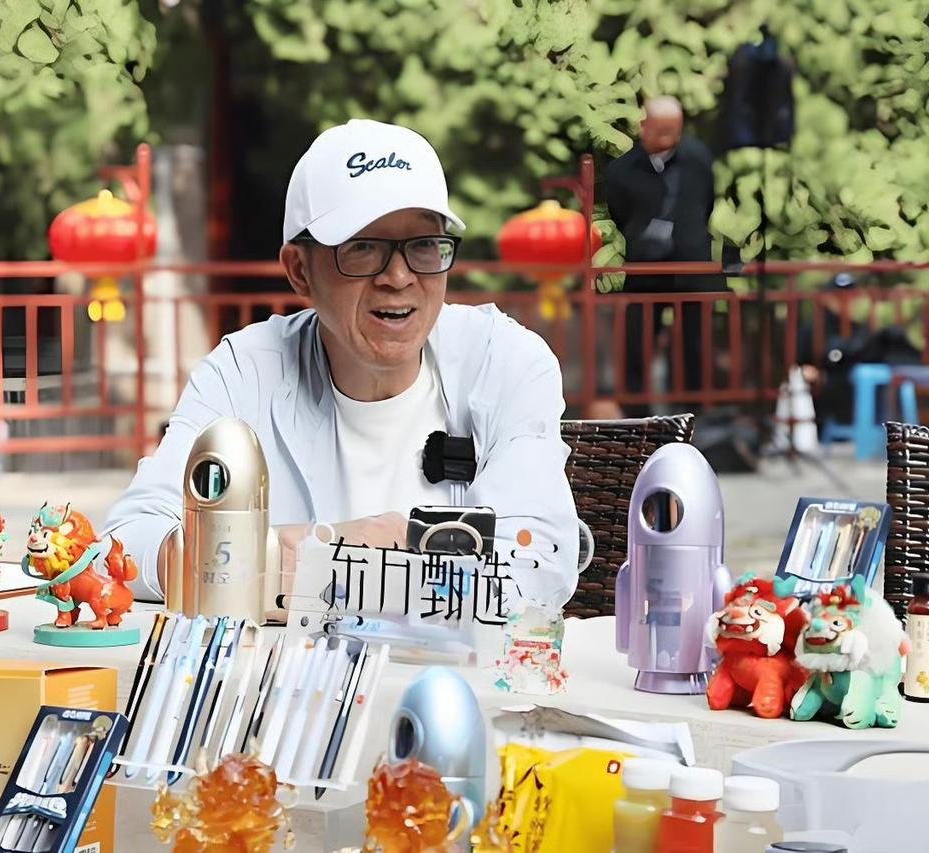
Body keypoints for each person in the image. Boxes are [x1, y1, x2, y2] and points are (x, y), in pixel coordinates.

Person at [106, 119, 580, 602]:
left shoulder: (503, 361)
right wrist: (344, 550)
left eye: (422, 246)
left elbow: (537, 561)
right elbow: (126, 545)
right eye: (363, 248)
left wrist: (319, 556)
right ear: (299, 271)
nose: (399, 277)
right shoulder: (245, 371)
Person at [605, 96, 724, 405]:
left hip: (691, 264)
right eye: (659, 130)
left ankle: (696, 408)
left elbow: (706, 202)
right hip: (646, 268)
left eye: (672, 130)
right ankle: (635, 411)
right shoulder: (622, 170)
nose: (665, 137)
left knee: (695, 341)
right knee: (637, 340)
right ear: (644, 126)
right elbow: (620, 213)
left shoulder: (699, 158)